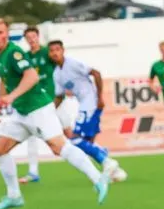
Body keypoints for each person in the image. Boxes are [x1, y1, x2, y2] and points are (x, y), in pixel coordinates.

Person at [0, 17, 110, 209]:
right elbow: (4, 79)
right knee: (0, 148)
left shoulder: (14, 52)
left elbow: (32, 76)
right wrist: (0, 101)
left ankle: (98, 178)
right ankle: (14, 196)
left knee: (59, 146)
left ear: (7, 33)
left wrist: (11, 96)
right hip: (22, 113)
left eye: (1, 32)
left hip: (39, 110)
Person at [49, 40, 125, 182]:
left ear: (63, 50)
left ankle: (107, 161)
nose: (55, 53)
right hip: (85, 104)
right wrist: (48, 112)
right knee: (87, 142)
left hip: (90, 104)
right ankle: (113, 169)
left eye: (57, 49)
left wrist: (100, 97)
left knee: (75, 139)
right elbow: (60, 96)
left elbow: (96, 73)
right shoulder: (57, 74)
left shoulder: (72, 63)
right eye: (52, 50)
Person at [20, 26, 55, 184]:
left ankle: (99, 156)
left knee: (68, 134)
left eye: (33, 36)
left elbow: (60, 66)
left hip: (53, 100)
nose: (31, 40)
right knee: (32, 136)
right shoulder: (25, 57)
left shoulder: (48, 52)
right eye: (28, 38)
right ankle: (33, 171)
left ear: (38, 36)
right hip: (36, 102)